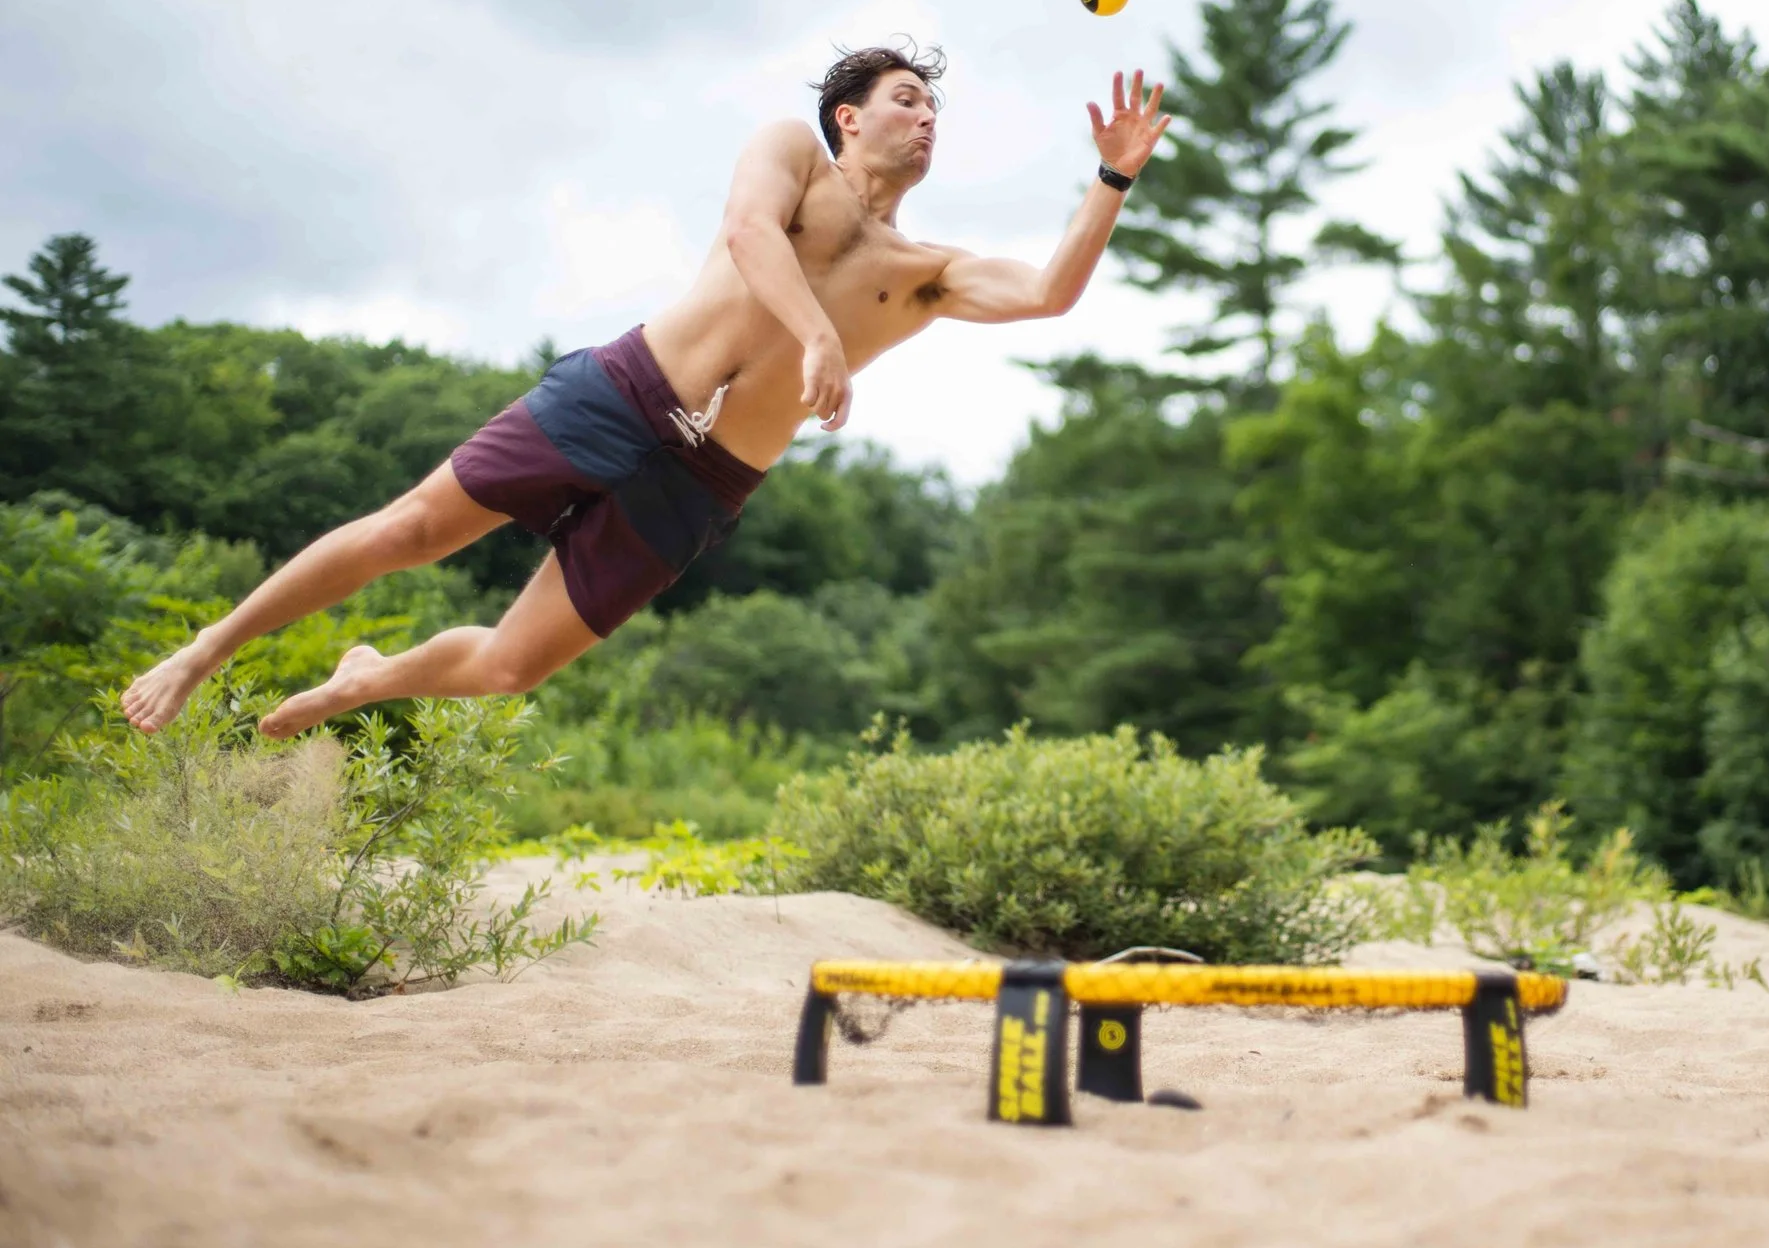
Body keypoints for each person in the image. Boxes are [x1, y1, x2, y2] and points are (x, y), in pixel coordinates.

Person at [120, 48, 1169, 740]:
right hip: (622, 393)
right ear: (848, 116)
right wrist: (819, 340)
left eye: (936, 106)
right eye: (908, 97)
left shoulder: (927, 268)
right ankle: (205, 650)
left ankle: (366, 677)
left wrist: (1111, 178)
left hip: (702, 482)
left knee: (507, 670)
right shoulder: (790, 154)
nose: (927, 116)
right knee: (409, 530)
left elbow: (1046, 293)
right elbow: (750, 236)